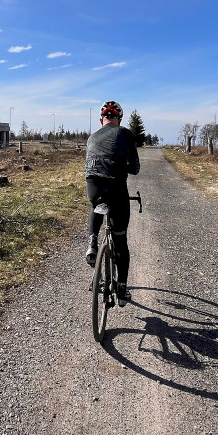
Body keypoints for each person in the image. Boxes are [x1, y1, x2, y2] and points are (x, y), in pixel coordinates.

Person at [84, 100, 140, 306]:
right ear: (119, 119)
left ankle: (92, 242)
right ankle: (122, 290)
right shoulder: (124, 133)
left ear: (102, 120)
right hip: (115, 187)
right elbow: (135, 168)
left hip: (92, 185)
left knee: (96, 205)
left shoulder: (92, 136)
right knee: (120, 240)